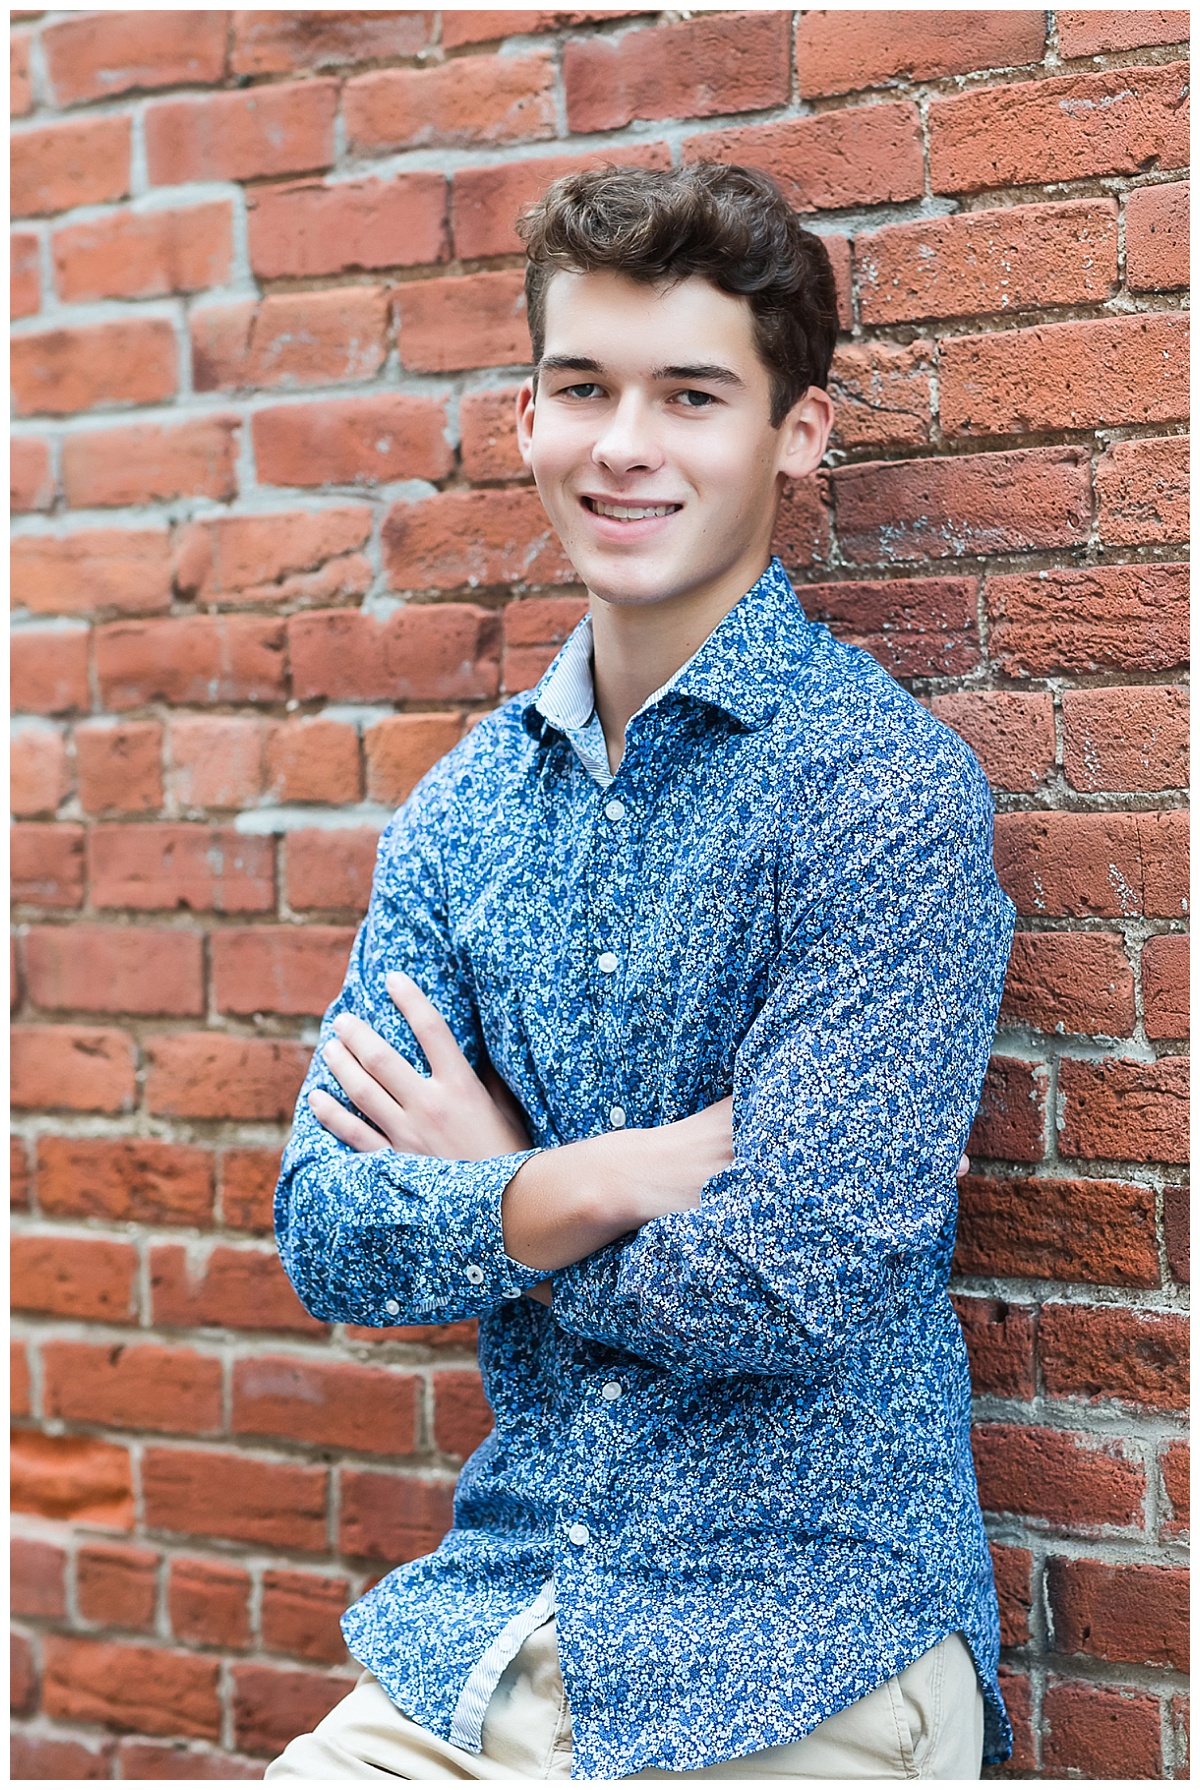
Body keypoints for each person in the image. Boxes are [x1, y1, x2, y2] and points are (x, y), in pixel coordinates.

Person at [267, 162, 1016, 1780]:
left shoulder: (879, 797)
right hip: (485, 1642)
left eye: (690, 394)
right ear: (525, 417)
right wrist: (623, 1171)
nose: (625, 444)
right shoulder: (459, 818)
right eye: (584, 388)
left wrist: (499, 1197)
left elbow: (793, 1278)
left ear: (794, 434)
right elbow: (329, 1233)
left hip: (809, 1647)